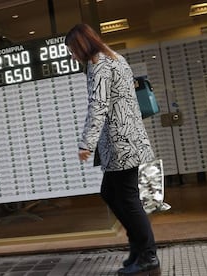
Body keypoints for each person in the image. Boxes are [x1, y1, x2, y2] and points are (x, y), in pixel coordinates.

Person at [65, 23, 160, 276]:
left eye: (72, 51)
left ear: (81, 45)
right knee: (110, 192)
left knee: (127, 199)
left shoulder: (99, 64)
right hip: (126, 140)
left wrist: (86, 143)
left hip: (122, 143)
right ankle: (138, 248)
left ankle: (148, 255)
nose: (72, 56)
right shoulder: (115, 57)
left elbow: (98, 105)